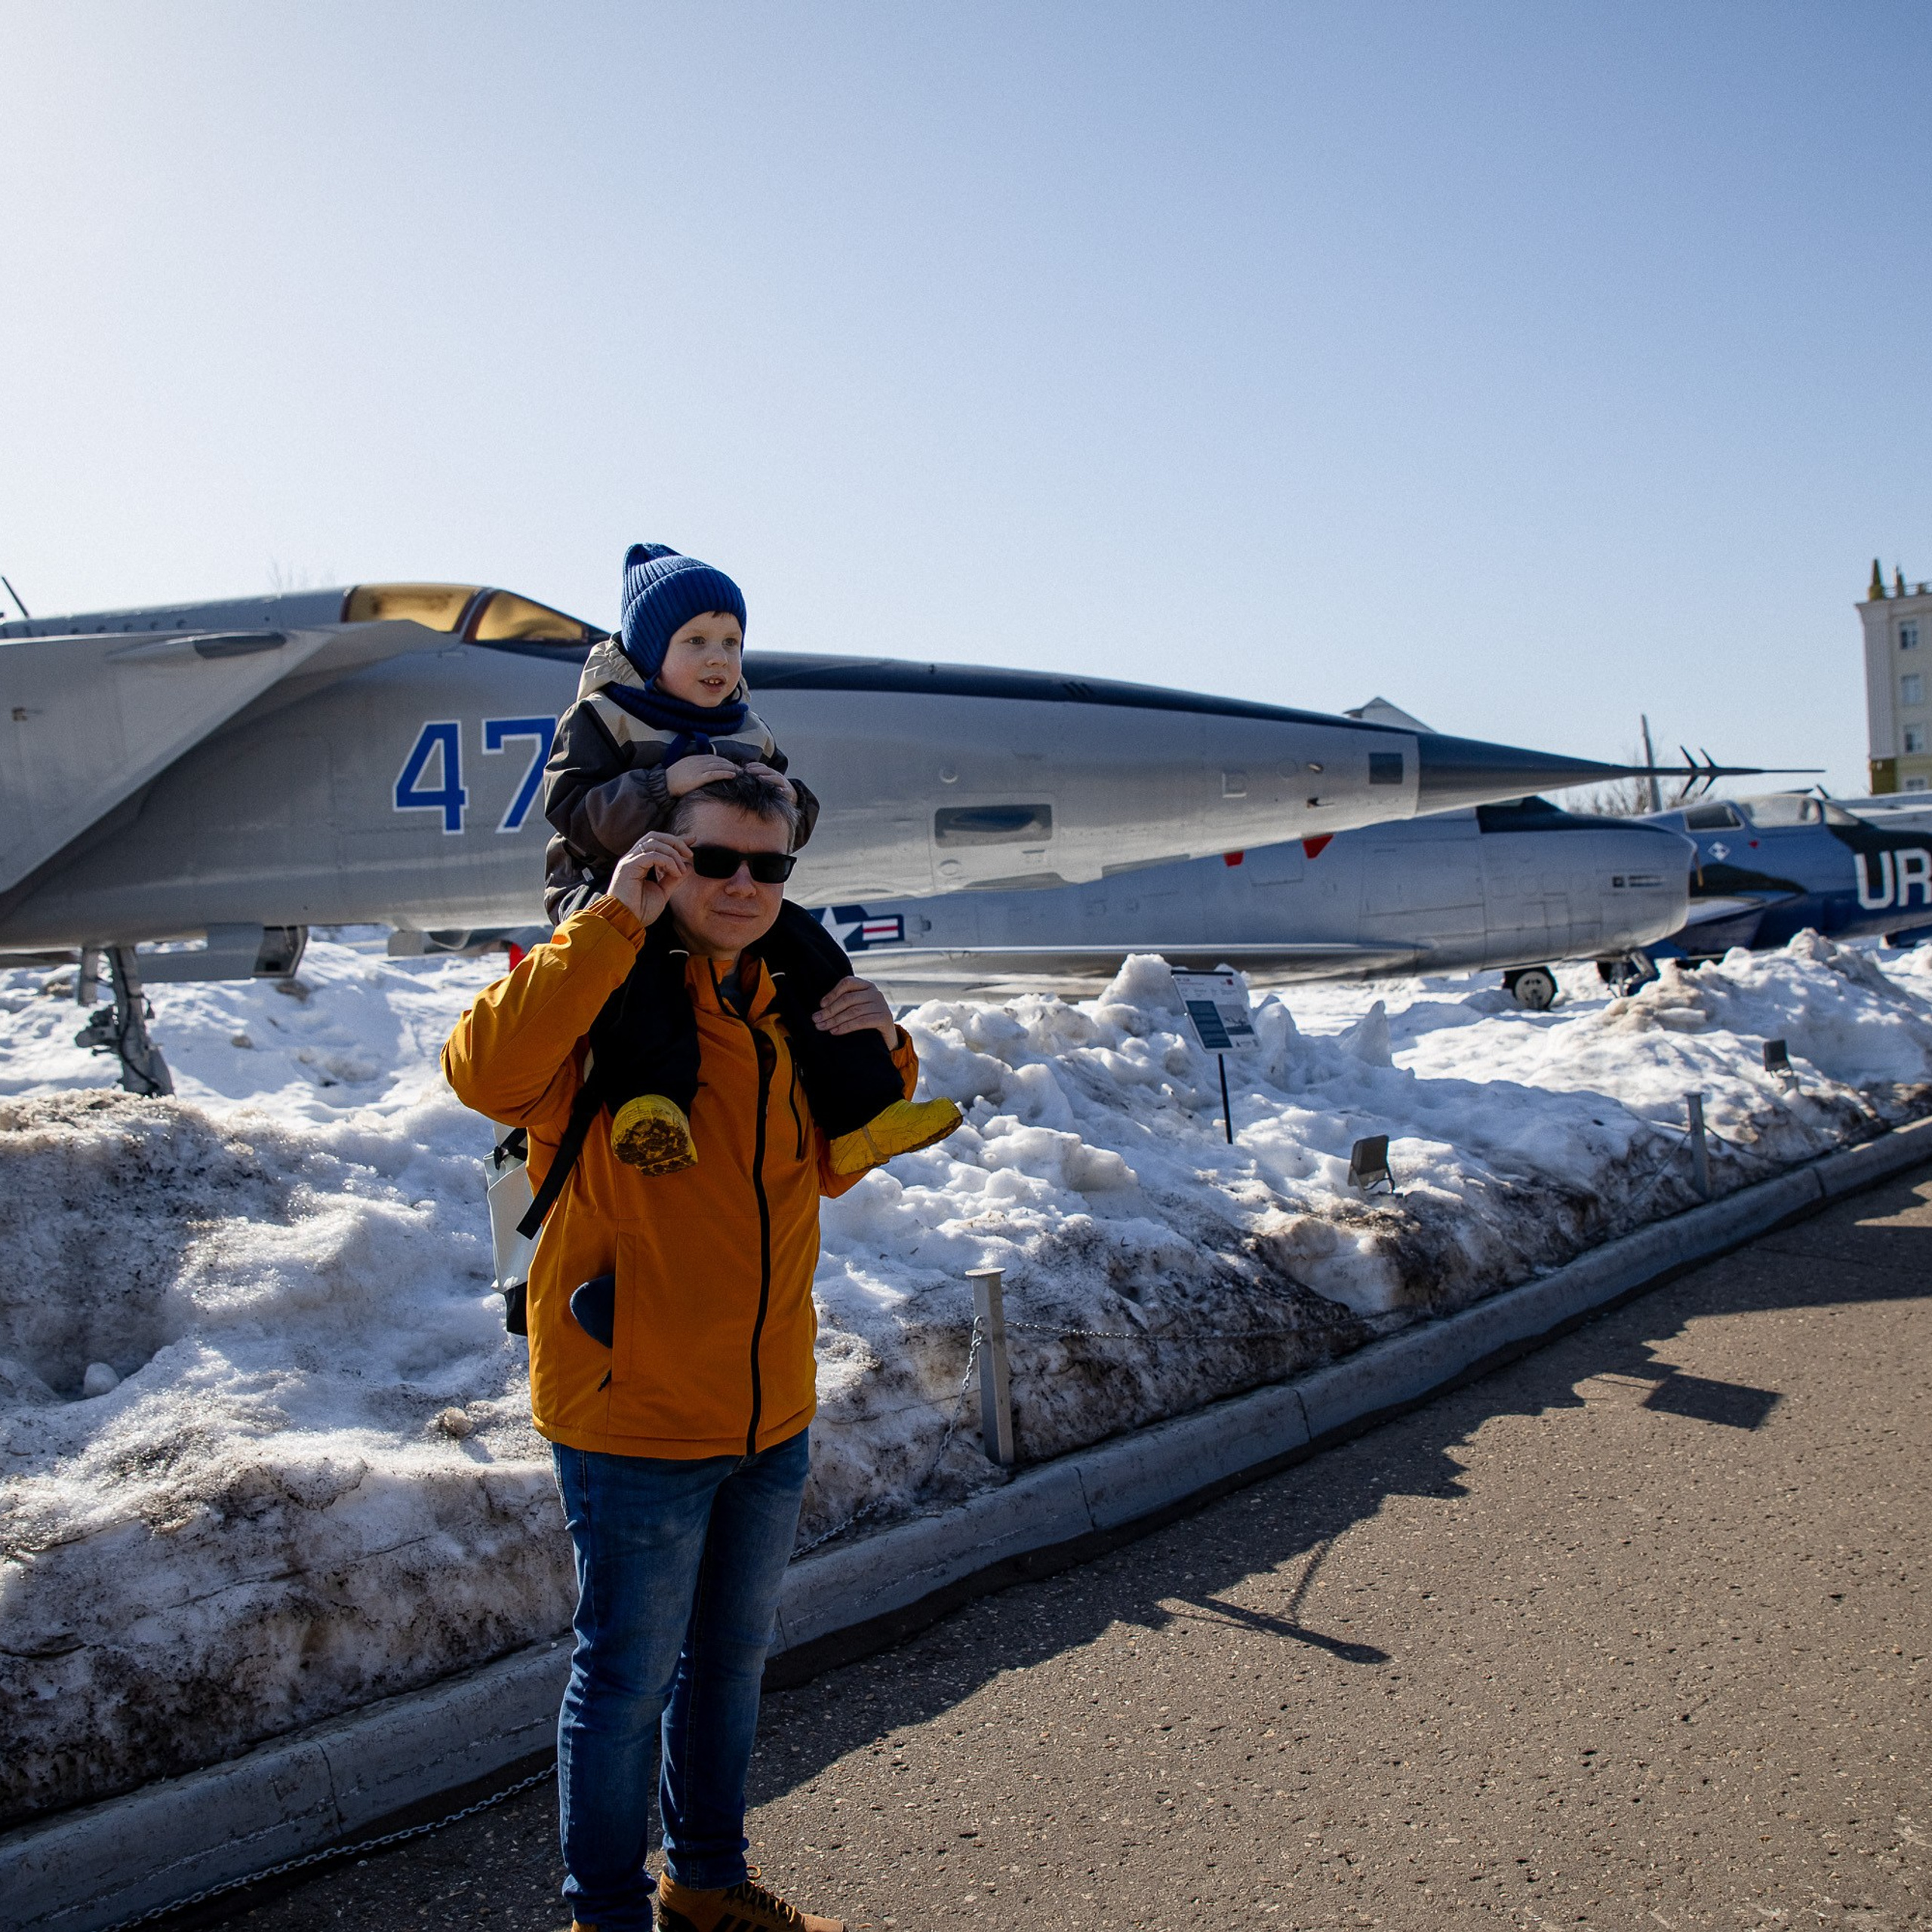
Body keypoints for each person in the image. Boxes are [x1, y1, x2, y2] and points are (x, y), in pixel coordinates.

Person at [445, 769, 905, 1932]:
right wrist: (612, 917)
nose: (746, 885)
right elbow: (481, 1074)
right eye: (716, 861)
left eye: (772, 867)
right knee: (625, 1684)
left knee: (729, 1666)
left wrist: (880, 1046)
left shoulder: (784, 997)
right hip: (635, 1406)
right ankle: (604, 1917)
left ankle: (704, 1884)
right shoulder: (608, 992)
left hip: (766, 1409)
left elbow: (832, 1163)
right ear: (665, 860)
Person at [541, 541, 958, 1178]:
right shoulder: (603, 718)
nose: (719, 658)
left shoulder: (747, 727)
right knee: (644, 969)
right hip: (614, 887)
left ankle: (863, 1111)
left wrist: (792, 799)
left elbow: (785, 825)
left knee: (811, 951)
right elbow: (572, 812)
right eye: (696, 641)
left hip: (711, 881)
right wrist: (663, 786)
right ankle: (650, 1105)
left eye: (732, 642)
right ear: (652, 652)